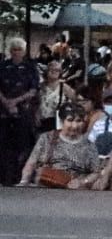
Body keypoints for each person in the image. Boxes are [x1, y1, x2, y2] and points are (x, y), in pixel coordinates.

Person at [20, 104, 106, 188]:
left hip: (74, 191)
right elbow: (31, 162)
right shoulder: (47, 138)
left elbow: (96, 172)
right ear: (62, 121)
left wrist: (82, 182)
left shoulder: (89, 145)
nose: (74, 126)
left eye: (79, 121)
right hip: (46, 186)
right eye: (70, 120)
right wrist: (24, 182)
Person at [0, 38, 42, 183]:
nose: (16, 52)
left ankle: (20, 176)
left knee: (23, 144)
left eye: (19, 49)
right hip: (3, 112)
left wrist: (15, 102)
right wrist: (6, 102)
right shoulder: (3, 66)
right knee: (4, 144)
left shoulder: (30, 67)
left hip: (23, 110)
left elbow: (34, 90)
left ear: (24, 51)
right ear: (10, 51)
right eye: (14, 49)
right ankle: (5, 176)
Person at [34, 60, 79, 133]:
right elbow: (34, 103)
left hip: (58, 123)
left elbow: (77, 100)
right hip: (42, 122)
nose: (54, 71)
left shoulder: (64, 87)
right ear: (47, 71)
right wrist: (35, 114)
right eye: (51, 69)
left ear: (60, 72)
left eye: (57, 70)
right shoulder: (40, 86)